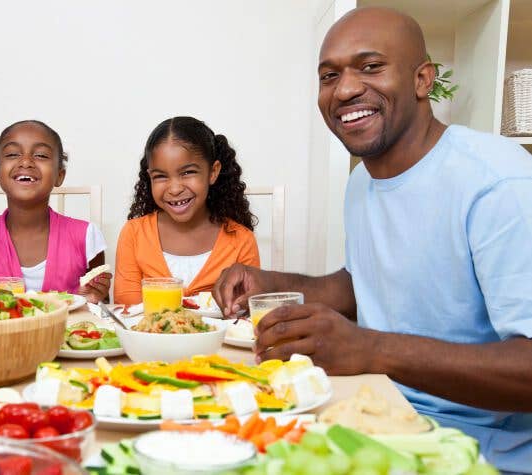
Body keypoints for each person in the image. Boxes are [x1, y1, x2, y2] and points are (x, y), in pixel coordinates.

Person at [214, 7, 532, 472]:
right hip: (375, 413)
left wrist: (369, 348)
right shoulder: (363, 181)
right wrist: (270, 282)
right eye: (329, 75)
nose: (344, 89)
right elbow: (368, 281)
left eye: (370, 66)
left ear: (423, 79)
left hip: (473, 452)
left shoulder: (498, 182)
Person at [0, 120, 111, 303]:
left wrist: (94, 298)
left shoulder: (86, 237)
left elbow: (102, 305)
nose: (26, 162)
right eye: (13, 154)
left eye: (41, 155)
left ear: (59, 175)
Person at [114, 116, 260, 304]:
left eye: (188, 172)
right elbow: (127, 308)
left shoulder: (241, 240)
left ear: (213, 172)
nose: (175, 189)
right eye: (160, 176)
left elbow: (244, 314)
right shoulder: (134, 234)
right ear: (149, 177)